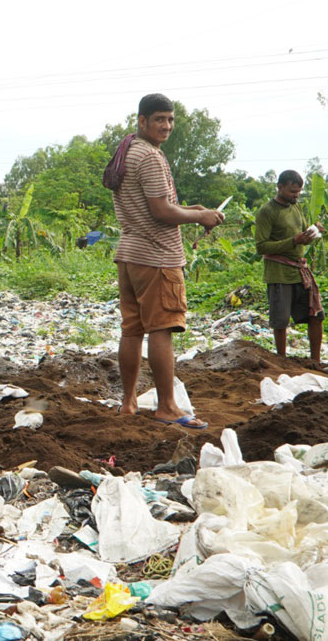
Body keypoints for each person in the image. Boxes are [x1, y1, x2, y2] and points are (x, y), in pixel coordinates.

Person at [113, 93, 224, 429]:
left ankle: (129, 402)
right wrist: (200, 219)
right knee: (162, 328)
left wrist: (193, 211)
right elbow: (160, 211)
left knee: (132, 330)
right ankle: (167, 407)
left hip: (130, 252)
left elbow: (152, 208)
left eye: (171, 119)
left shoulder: (128, 151)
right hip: (157, 257)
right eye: (159, 119)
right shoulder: (150, 158)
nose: (166, 126)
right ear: (142, 121)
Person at [255, 170, 324, 364]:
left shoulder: (296, 208)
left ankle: (316, 361)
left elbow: (302, 237)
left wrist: (312, 232)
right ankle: (282, 360)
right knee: (281, 321)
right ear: (280, 187)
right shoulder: (267, 212)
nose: (296, 196)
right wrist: (293, 241)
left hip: (299, 272)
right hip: (279, 273)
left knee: (316, 315)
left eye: (299, 192)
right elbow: (261, 247)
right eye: (293, 191)